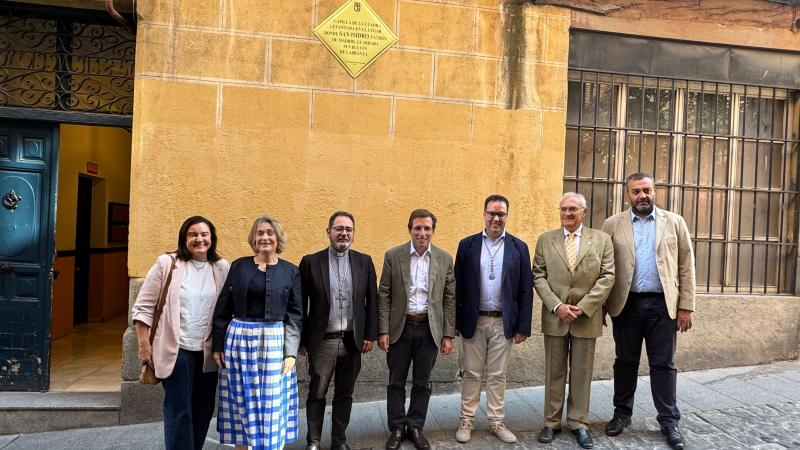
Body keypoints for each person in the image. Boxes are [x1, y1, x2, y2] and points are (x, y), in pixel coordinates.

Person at [602, 172, 696, 450]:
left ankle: (669, 421)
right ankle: (622, 414)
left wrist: (686, 306)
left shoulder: (674, 222)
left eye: (647, 190)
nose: (642, 196)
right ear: (627, 195)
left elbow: (686, 265)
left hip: (662, 305)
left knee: (663, 364)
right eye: (636, 191)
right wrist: (602, 305)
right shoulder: (612, 225)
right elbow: (604, 267)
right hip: (626, 304)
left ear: (655, 191)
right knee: (625, 361)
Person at [132, 215, 230, 450]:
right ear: (184, 238)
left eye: (204, 234)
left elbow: (227, 309)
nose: (199, 239)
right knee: (180, 411)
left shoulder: (221, 267)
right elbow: (143, 307)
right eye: (193, 235)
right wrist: (144, 345)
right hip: (178, 352)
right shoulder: (168, 264)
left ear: (212, 238)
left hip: (206, 353)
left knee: (203, 410)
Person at [212, 215, 303, 450]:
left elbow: (294, 314)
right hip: (239, 339)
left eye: (270, 233)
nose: (265, 237)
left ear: (278, 238)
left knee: (271, 400)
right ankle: (243, 446)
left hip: (274, 341)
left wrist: (290, 353)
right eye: (260, 233)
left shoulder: (290, 271)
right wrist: (218, 345)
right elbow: (223, 308)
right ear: (254, 237)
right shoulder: (239, 266)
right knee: (241, 395)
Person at [532, 193, 615, 449]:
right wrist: (557, 306)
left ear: (584, 212)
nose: (567, 213)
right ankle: (551, 422)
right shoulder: (546, 240)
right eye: (563, 209)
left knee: (581, 372)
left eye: (573, 209)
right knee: (554, 371)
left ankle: (579, 422)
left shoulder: (601, 240)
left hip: (585, 317)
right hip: (555, 315)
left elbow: (608, 276)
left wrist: (582, 307)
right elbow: (538, 275)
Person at [453, 194, 534, 444]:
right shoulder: (467, 245)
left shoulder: (518, 247)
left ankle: (496, 421)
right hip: (473, 320)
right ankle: (466, 420)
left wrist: (523, 326)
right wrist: (454, 321)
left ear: (507, 216)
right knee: (472, 373)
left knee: (498, 375)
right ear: (484, 214)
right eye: (491, 213)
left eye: (501, 214)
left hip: (503, 322)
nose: (496, 218)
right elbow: (457, 286)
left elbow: (525, 289)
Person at [298, 211, 379, 450]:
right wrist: (302, 339)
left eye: (348, 229)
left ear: (353, 233)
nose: (343, 233)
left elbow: (371, 301)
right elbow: (300, 304)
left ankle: (339, 439)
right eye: (338, 228)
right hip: (322, 341)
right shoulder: (311, 262)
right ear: (328, 232)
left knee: (345, 393)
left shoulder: (364, 261)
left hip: (353, 340)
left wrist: (369, 334)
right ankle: (313, 440)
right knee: (318, 391)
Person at [378, 209, 456, 450]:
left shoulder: (444, 258)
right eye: (417, 228)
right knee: (395, 382)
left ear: (433, 231)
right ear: (409, 229)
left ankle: (415, 426)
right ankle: (397, 428)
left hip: (429, 329)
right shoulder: (393, 255)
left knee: (423, 382)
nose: (422, 233)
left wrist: (448, 333)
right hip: (400, 328)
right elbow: (385, 294)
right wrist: (383, 330)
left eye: (427, 228)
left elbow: (449, 297)